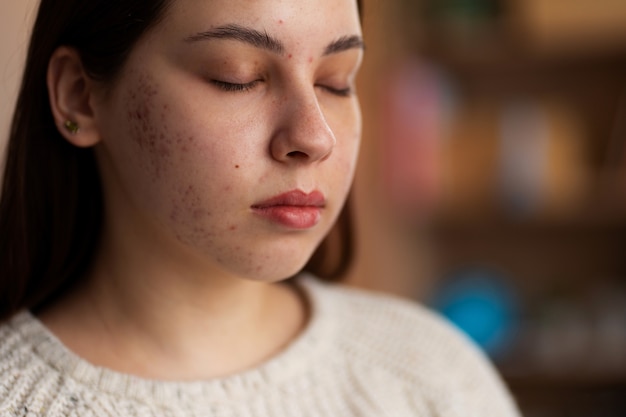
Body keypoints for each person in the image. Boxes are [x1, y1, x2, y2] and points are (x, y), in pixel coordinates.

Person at [0, 0, 520, 415]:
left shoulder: (434, 374)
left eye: (335, 82)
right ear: (78, 96)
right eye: (238, 76)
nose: (315, 138)